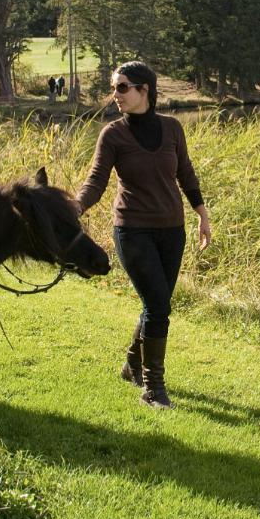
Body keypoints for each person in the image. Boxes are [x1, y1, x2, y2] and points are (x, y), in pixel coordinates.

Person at [76, 61, 211, 409]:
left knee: (157, 303)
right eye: (114, 88)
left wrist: (202, 213)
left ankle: (132, 364)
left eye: (122, 87)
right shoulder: (113, 134)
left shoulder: (172, 128)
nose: (115, 94)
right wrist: (74, 207)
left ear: (144, 90)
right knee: (157, 306)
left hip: (172, 231)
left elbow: (185, 173)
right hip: (132, 230)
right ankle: (153, 389)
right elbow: (96, 181)